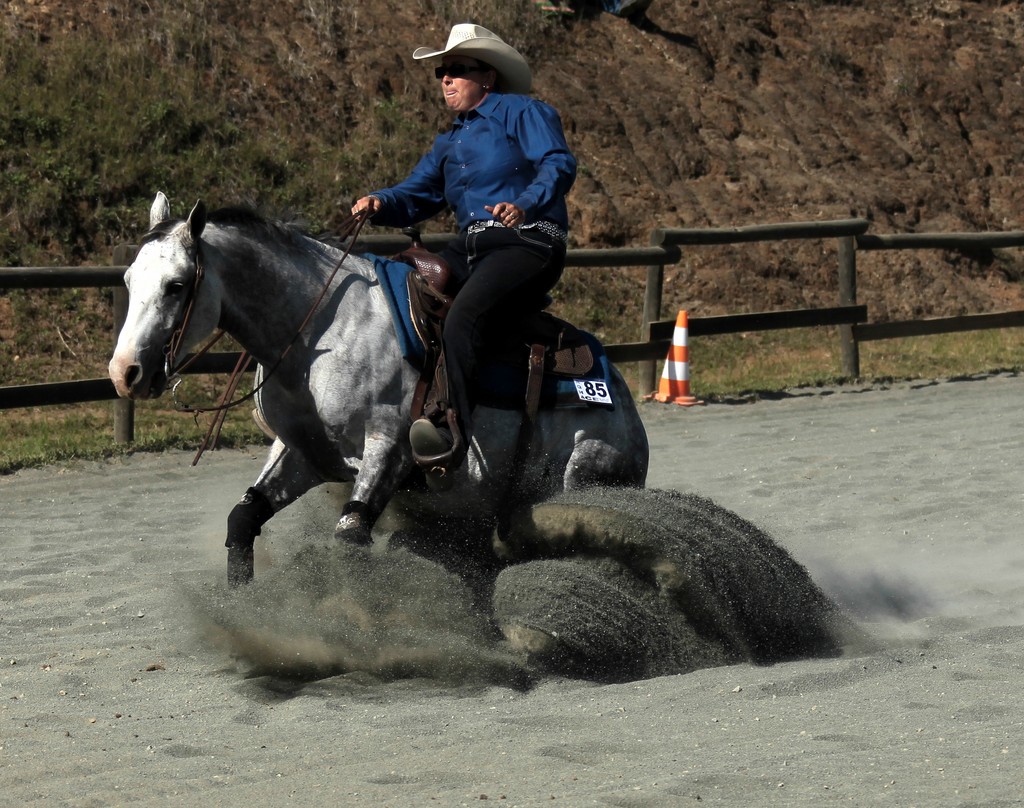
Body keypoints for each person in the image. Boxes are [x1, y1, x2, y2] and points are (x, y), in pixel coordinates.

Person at [351, 23, 577, 477]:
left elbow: (558, 163)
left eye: (456, 69)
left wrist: (525, 204)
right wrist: (381, 201)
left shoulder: (521, 111)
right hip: (470, 248)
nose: (445, 79)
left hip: (528, 242)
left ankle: (450, 428)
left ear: (488, 76)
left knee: (465, 316)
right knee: (393, 290)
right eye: (441, 72)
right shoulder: (449, 140)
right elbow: (417, 192)